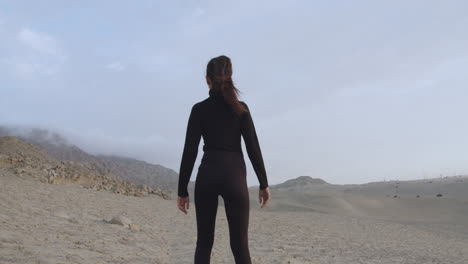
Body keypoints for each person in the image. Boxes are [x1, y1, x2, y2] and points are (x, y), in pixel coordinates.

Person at [177, 55, 271, 263]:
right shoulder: (241, 108)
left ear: (207, 79)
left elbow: (190, 151)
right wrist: (263, 183)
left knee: (203, 243)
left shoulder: (199, 109)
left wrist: (182, 190)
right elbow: (253, 147)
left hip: (207, 176)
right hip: (234, 178)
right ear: (229, 77)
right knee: (240, 245)